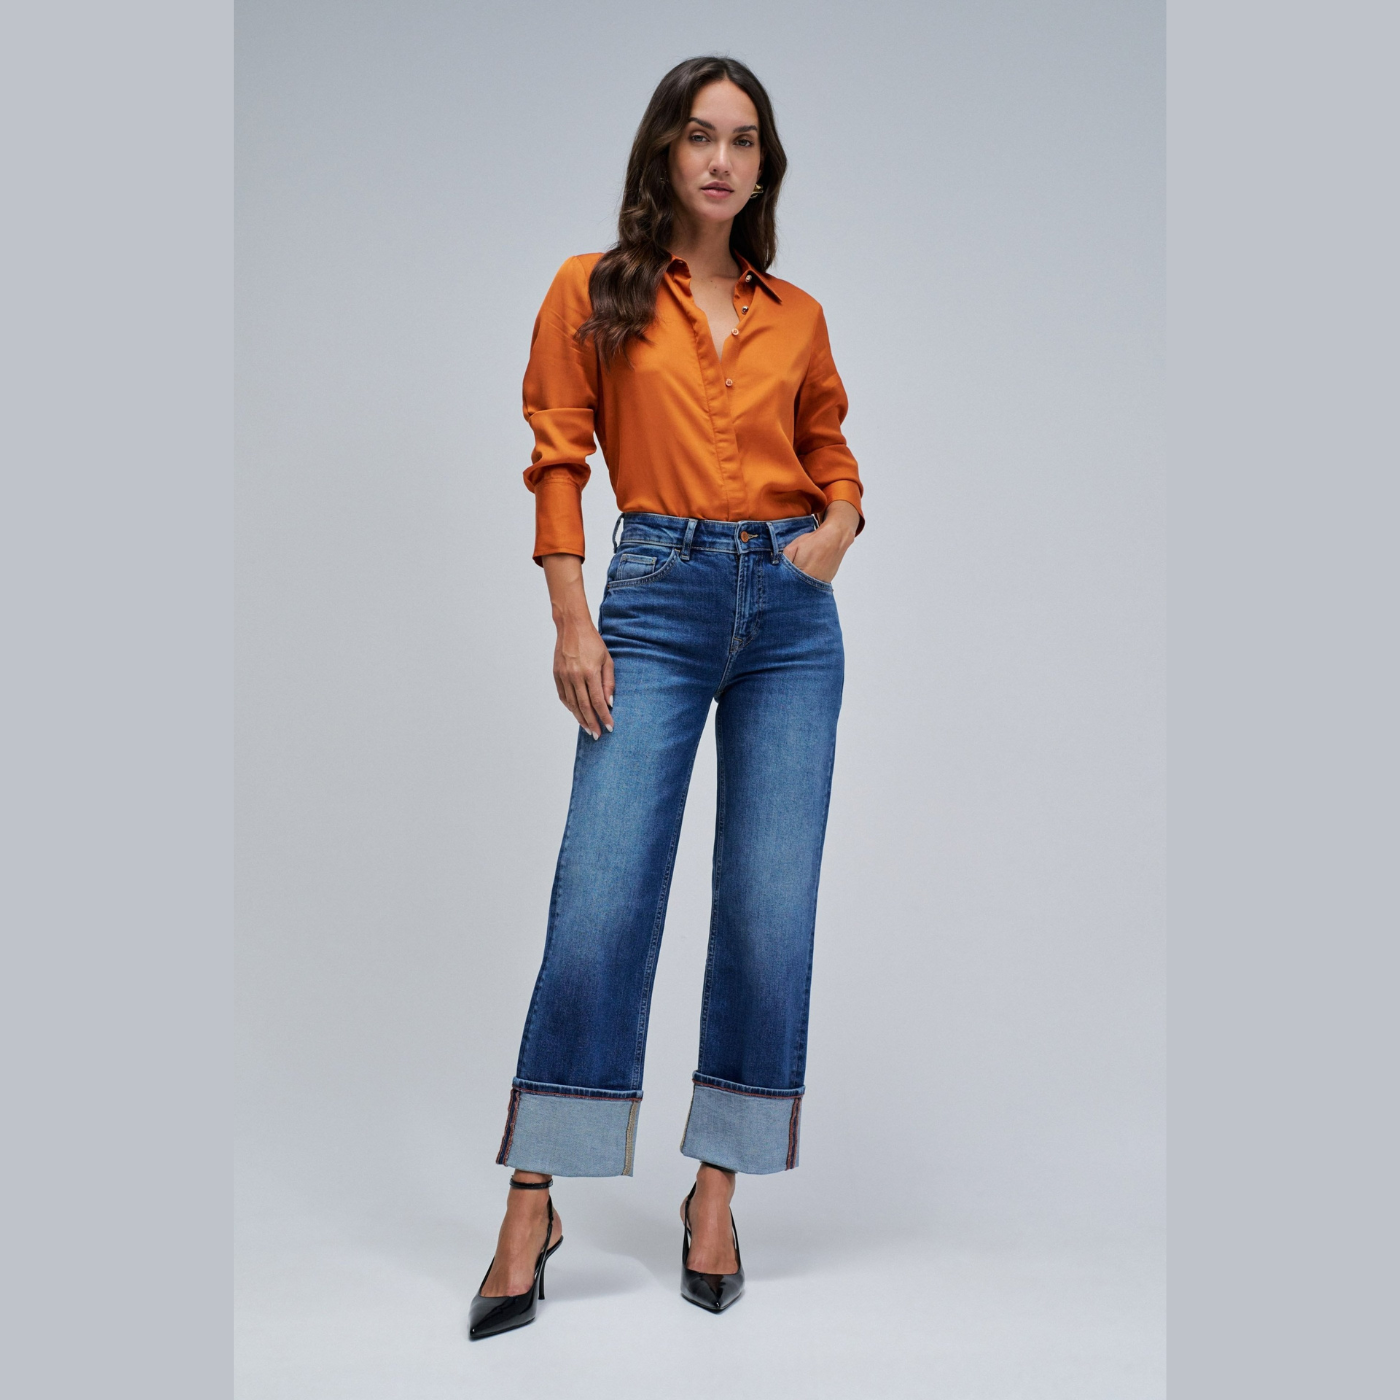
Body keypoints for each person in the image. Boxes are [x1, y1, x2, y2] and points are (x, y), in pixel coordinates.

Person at [469, 54, 865, 1340]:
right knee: (602, 891)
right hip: (652, 594)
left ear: (762, 167)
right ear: (663, 151)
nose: (720, 159)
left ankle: (714, 1190)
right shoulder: (591, 290)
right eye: (700, 135)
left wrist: (837, 525)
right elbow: (557, 453)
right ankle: (532, 1198)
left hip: (790, 616)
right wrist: (569, 615)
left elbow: (829, 446)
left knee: (766, 902)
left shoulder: (795, 314)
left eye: (743, 141)